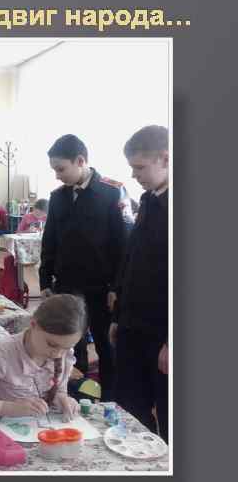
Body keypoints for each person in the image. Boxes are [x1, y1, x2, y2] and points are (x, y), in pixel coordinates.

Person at [39, 134, 127, 401]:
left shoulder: (112, 192)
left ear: (80, 161)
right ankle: (74, 397)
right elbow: (50, 240)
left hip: (101, 287)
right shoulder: (58, 197)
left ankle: (109, 400)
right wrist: (45, 280)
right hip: (67, 285)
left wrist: (117, 287)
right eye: (54, 170)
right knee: (69, 345)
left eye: (61, 169)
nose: (57, 176)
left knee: (105, 344)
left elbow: (124, 246)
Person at [110, 125, 169, 442]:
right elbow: (131, 264)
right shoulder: (148, 200)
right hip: (133, 326)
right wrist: (118, 317)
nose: (134, 175)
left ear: (165, 159)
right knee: (130, 408)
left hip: (162, 334)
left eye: (140, 167)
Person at [0, 294, 86, 422]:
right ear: (33, 325)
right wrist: (9, 408)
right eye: (52, 344)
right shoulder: (1, 352)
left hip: (40, 427)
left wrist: (62, 398)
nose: (58, 354)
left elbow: (59, 389)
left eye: (67, 347)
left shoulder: (65, 354)